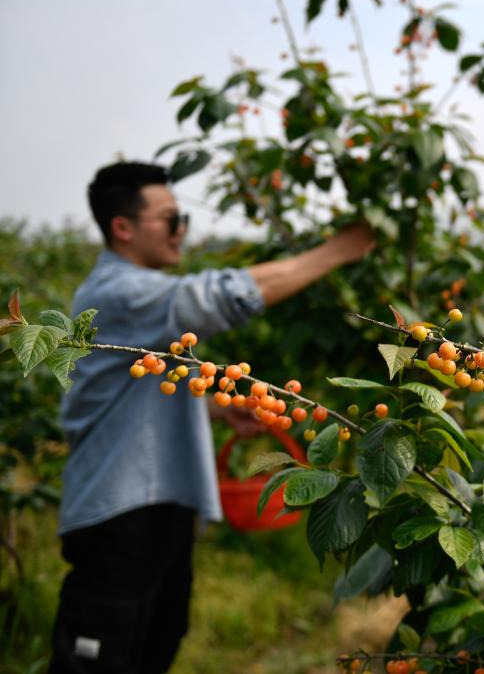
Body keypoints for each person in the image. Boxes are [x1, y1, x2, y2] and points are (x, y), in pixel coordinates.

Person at [50, 161, 375, 673]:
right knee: (102, 657)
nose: (182, 230)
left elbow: (134, 394)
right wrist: (337, 250)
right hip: (119, 512)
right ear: (123, 227)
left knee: (155, 643)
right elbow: (221, 296)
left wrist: (217, 408)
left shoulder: (132, 297)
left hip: (159, 503)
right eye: (171, 219)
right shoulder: (117, 292)